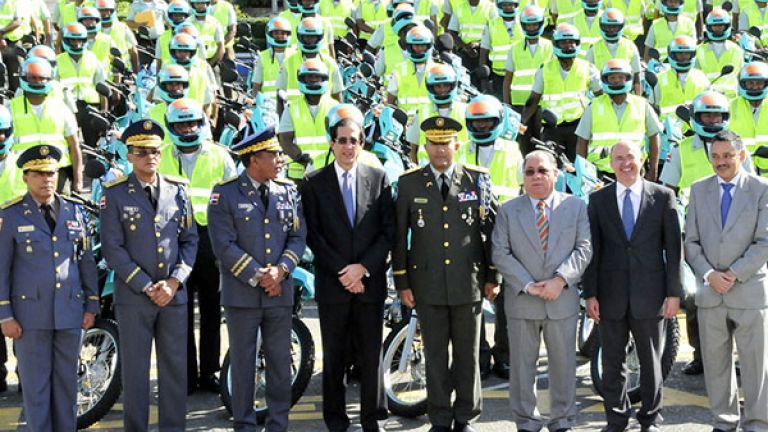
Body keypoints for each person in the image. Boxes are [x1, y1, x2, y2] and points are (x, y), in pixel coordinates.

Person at [392, 116, 500, 432]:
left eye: (446, 143)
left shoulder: (477, 179)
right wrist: (402, 282)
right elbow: (400, 237)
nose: (440, 151)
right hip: (427, 284)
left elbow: (492, 230)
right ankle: (439, 417)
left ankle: (466, 417)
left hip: (469, 282)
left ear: (457, 145)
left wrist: (493, 276)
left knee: (468, 356)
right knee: (435, 357)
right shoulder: (409, 182)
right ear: (425, 146)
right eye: (434, 144)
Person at [100, 119, 199, 432]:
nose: (150, 157)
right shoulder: (114, 194)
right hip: (134, 298)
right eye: (142, 152)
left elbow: (190, 239)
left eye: (155, 151)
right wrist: (146, 286)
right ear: (129, 155)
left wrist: (173, 282)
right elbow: (113, 249)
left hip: (173, 296)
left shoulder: (178, 190)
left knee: (174, 372)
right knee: (136, 373)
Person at [207, 126, 307, 432]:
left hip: (279, 293)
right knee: (244, 365)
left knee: (279, 365)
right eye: (273, 154)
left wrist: (281, 271)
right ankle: (245, 425)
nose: (279, 159)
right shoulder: (224, 193)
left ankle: (278, 425)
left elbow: (298, 235)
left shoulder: (288, 190)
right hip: (242, 296)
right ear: (254, 160)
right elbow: (222, 244)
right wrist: (257, 274)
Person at [301, 104, 394, 432]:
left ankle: (373, 420)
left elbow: (388, 231)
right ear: (331, 143)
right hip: (334, 284)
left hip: (369, 285)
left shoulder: (378, 177)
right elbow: (313, 234)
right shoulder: (313, 182)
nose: (347, 146)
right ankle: (336, 421)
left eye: (353, 140)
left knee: (371, 358)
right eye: (341, 140)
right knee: (335, 359)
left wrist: (363, 269)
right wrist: (344, 271)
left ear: (362, 143)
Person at [583, 142, 682, 432]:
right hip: (609, 295)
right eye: (618, 159)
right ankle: (616, 418)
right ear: (611, 164)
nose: (625, 163)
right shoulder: (598, 200)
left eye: (630, 157)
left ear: (641, 160)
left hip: (650, 295)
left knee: (651, 363)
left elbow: (674, 251)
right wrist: (590, 293)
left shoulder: (663, 197)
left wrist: (674, 293)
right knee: (612, 363)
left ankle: (651, 418)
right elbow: (593, 251)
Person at [0, 144, 99, 431]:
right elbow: (2, 268)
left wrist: (91, 304)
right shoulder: (12, 216)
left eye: (52, 173)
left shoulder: (73, 210)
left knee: (67, 385)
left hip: (69, 311)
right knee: (36, 387)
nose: (47, 179)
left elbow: (86, 261)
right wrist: (5, 314)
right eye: (40, 173)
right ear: (25, 177)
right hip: (29, 316)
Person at [492, 149, 591, 432]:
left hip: (562, 299)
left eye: (543, 170)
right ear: (523, 177)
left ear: (556, 174)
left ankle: (562, 420)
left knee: (563, 366)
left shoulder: (576, 207)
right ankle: (526, 421)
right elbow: (500, 253)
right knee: (522, 369)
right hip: (523, 300)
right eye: (530, 172)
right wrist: (527, 284)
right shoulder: (508, 210)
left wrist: (560, 280)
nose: (536, 176)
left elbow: (584, 249)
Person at [684, 129, 768, 432]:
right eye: (715, 157)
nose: (721, 162)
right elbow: (691, 242)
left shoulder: (762, 189)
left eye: (727, 156)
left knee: (756, 365)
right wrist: (709, 275)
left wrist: (731, 275)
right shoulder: (698, 189)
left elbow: (764, 242)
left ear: (741, 155)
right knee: (716, 365)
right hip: (710, 293)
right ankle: (724, 421)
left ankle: (758, 423)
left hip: (748, 291)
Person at [158, 98, 237, 394]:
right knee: (179, 310)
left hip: (210, 238)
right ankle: (186, 375)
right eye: (180, 124)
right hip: (172, 238)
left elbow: (234, 201)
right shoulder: (161, 155)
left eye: (193, 123)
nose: (188, 129)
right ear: (170, 127)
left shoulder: (220, 156)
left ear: (203, 124)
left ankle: (210, 372)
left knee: (211, 309)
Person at [520, 23, 602, 163]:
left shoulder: (588, 68)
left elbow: (601, 98)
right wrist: (521, 124)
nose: (568, 46)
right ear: (556, 44)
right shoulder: (544, 69)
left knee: (578, 168)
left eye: (571, 42)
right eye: (563, 42)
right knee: (550, 167)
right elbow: (533, 100)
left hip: (579, 128)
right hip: (552, 129)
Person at [575, 58, 661, 179]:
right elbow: (581, 142)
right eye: (612, 78)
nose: (616, 81)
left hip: (634, 172)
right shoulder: (593, 106)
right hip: (601, 174)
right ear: (605, 80)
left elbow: (654, 137)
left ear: (628, 79)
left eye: (621, 77)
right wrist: (582, 172)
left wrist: (653, 170)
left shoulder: (642, 105)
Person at [11, 57, 82, 194]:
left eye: (42, 78)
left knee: (63, 213)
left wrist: (78, 181)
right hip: (23, 174)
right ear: (24, 78)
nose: (38, 81)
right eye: (33, 78)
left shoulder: (61, 108)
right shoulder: (11, 108)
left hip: (57, 173)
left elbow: (74, 146)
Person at [585, 8, 642, 93]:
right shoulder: (593, 49)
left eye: (615, 26)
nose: (611, 30)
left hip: (625, 95)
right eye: (608, 27)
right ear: (601, 26)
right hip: (601, 96)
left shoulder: (630, 46)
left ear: (621, 26)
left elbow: (637, 78)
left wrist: (638, 100)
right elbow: (586, 77)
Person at [695, 8, 743, 100]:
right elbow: (695, 78)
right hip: (707, 100)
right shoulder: (698, 51)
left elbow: (741, 78)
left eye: (721, 25)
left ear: (727, 26)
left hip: (731, 100)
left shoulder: (737, 50)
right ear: (709, 27)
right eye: (715, 26)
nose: (718, 28)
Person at [479, 0, 523, 99]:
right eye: (504, 5)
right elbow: (484, 50)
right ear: (499, 6)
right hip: (499, 76)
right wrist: (484, 79)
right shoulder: (491, 24)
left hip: (520, 76)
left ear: (515, 5)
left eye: (510, 5)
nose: (507, 7)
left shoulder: (523, 22)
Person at [252, 16, 295, 98]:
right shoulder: (262, 56)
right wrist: (254, 102)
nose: (280, 36)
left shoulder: (295, 55)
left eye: (283, 33)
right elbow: (256, 84)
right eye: (276, 33)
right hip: (268, 105)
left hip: (291, 105)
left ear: (288, 34)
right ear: (270, 35)